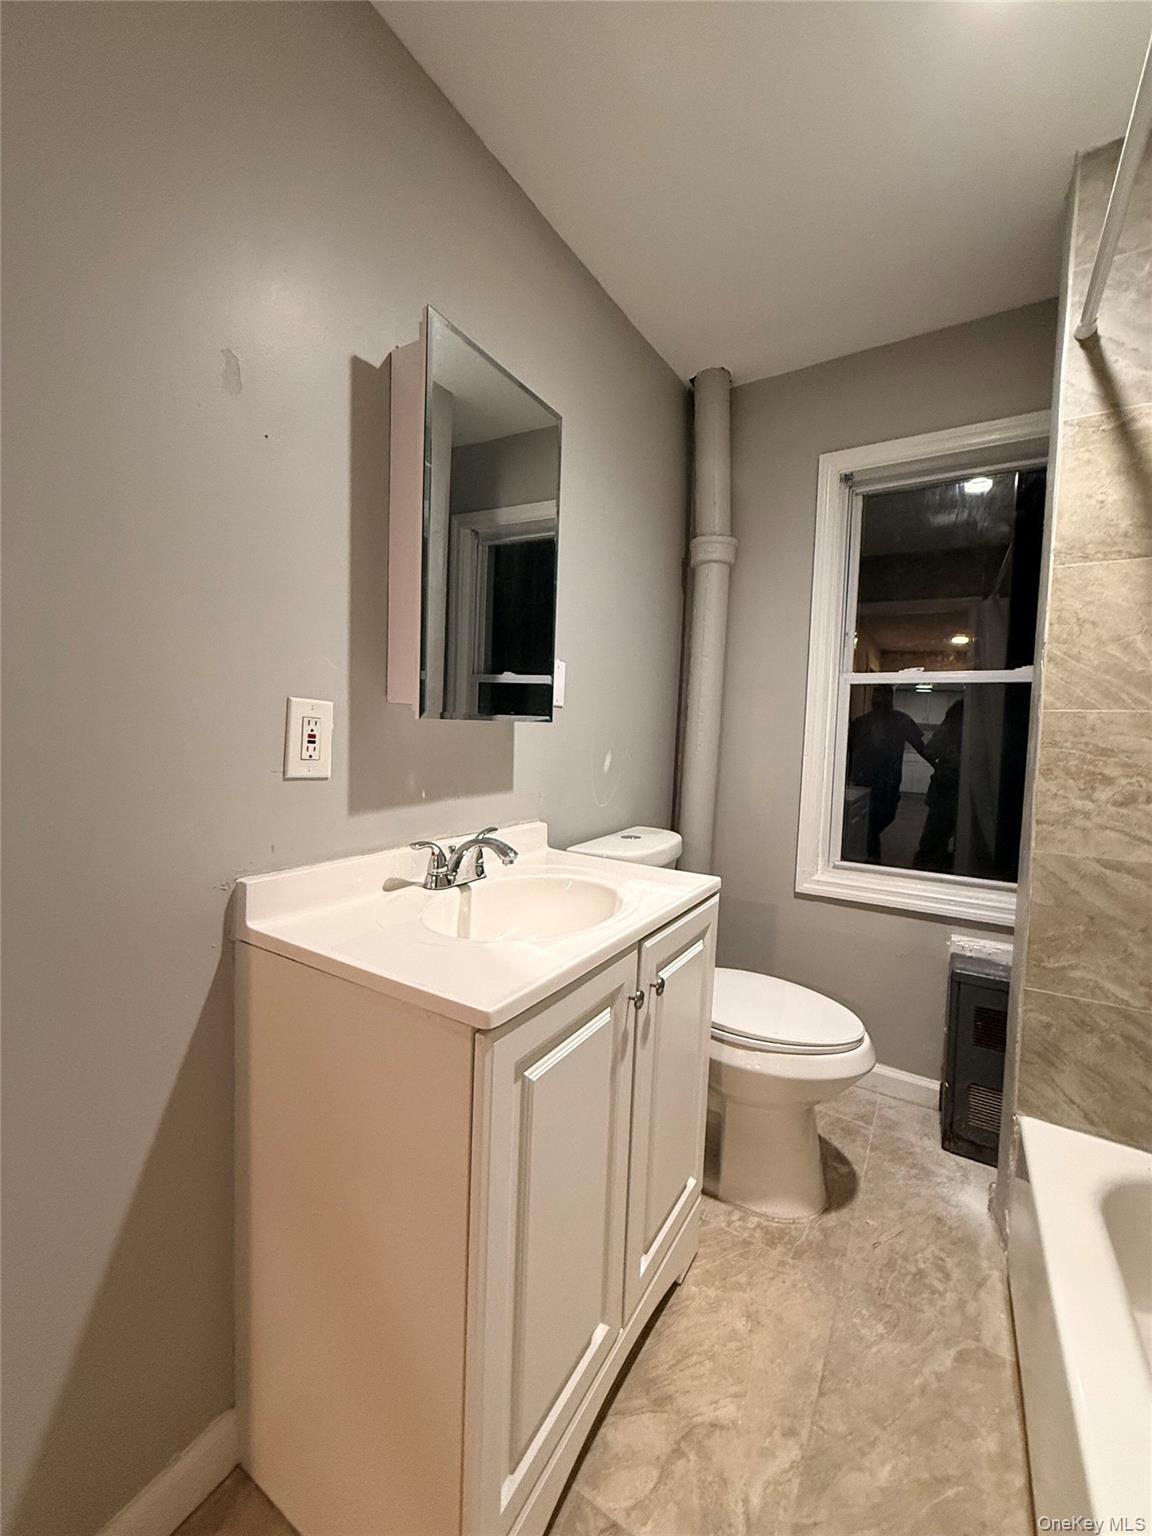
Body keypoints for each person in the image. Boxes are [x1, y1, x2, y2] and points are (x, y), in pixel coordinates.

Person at [847, 685, 929, 863]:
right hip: (867, 784)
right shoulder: (863, 723)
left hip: (881, 784)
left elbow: (923, 748)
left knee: (872, 825)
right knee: (867, 828)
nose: (879, 700)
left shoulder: (899, 721)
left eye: (882, 696)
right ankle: (870, 859)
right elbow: (846, 751)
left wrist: (942, 765)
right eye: (878, 696)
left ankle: (870, 859)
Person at [915, 699, 965, 871]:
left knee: (934, 838)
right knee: (937, 838)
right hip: (947, 791)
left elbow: (929, 751)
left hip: (947, 791)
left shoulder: (950, 728)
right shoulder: (959, 730)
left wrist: (939, 766)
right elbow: (929, 750)